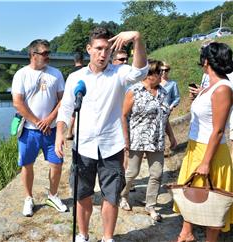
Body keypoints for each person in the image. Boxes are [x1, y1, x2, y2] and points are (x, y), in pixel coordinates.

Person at [55, 27, 148, 242]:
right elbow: (66, 107)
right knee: (83, 195)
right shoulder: (75, 78)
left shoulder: (119, 73)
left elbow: (141, 71)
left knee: (111, 196)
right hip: (83, 146)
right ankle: (83, 235)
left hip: (111, 145)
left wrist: (137, 39)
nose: (103, 53)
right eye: (98, 48)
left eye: (107, 49)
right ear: (89, 49)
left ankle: (107, 238)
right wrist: (60, 132)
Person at [173, 42, 233, 242]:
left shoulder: (223, 88)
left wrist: (206, 162)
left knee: (213, 205)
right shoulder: (211, 86)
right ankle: (186, 233)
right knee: (191, 196)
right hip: (196, 147)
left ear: (206, 61)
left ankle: (197, 237)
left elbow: (217, 130)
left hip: (211, 151)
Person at [11, 39, 68, 217]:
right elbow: (17, 103)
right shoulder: (21, 75)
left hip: (51, 130)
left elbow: (63, 100)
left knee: (57, 163)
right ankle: (28, 198)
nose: (48, 56)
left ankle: (52, 195)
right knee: (27, 165)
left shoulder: (56, 74)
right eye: (44, 53)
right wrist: (37, 122)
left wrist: (49, 118)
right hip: (29, 130)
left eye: (48, 53)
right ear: (33, 55)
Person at [119, 60, 177, 222]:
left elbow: (164, 117)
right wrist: (126, 139)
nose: (163, 75)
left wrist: (171, 136)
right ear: (150, 75)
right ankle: (122, 196)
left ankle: (150, 205)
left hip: (157, 139)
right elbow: (123, 115)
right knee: (131, 173)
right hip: (137, 138)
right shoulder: (134, 91)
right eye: (160, 72)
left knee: (156, 174)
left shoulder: (164, 92)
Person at [66, 52, 85, 140]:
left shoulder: (71, 72)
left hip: (73, 93)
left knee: (73, 114)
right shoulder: (86, 71)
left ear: (74, 60)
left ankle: (69, 132)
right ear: (82, 60)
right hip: (83, 94)